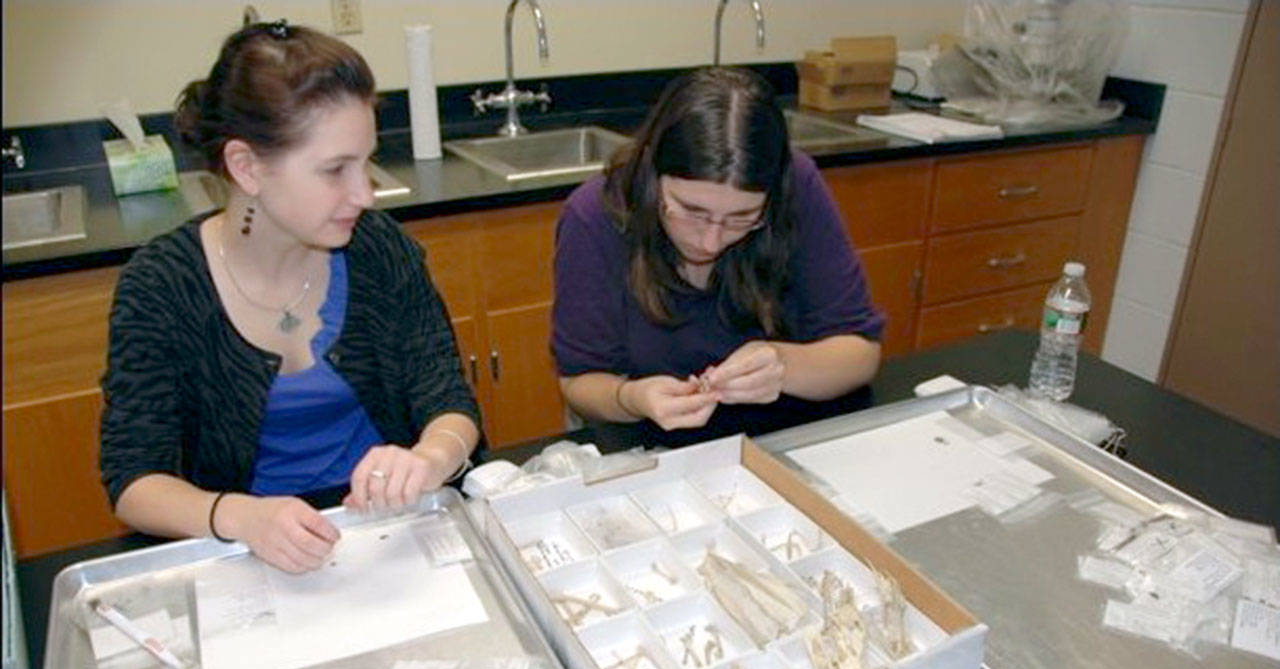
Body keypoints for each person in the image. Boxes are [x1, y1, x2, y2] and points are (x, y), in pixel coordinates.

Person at [99, 21, 481, 573]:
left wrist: (430, 457)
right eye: (335, 170)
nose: (365, 193)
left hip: (391, 536)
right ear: (247, 167)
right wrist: (239, 517)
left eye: (366, 162)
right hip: (250, 552)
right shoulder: (162, 286)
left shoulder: (378, 249)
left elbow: (448, 399)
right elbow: (134, 479)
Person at [552, 67, 884, 447]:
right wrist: (633, 399)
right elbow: (579, 382)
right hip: (645, 447)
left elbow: (860, 355)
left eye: (742, 218)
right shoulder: (595, 216)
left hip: (781, 438)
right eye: (691, 211)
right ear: (651, 170)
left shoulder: (798, 185)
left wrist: (781, 364)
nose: (710, 242)